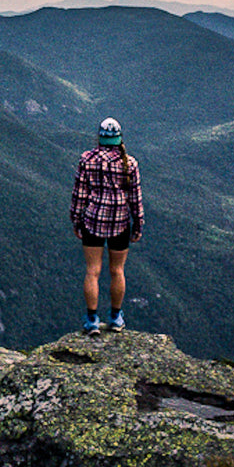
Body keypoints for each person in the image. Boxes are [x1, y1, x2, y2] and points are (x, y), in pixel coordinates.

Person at [69, 116, 143, 335]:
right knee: (117, 270)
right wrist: (138, 224)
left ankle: (92, 321)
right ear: (119, 139)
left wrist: (76, 220)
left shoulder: (86, 159)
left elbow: (79, 194)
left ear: (99, 138)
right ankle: (115, 317)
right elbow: (135, 198)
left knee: (93, 271)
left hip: (92, 220)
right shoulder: (130, 163)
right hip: (120, 222)